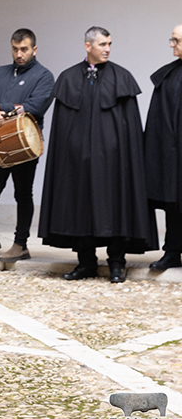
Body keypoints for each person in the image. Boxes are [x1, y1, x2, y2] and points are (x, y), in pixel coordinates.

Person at [38, 27, 156, 283]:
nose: (107, 49)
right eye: (102, 44)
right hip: (77, 163)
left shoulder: (121, 77)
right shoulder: (68, 79)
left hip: (115, 162)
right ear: (87, 46)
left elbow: (130, 129)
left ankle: (116, 263)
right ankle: (86, 263)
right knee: (79, 208)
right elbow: (62, 129)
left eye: (110, 44)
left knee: (116, 207)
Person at [0, 29, 54, 264]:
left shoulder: (44, 76)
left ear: (34, 49)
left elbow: (34, 106)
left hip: (25, 145)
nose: (19, 54)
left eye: (24, 49)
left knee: (23, 195)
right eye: (15, 49)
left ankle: (20, 244)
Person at [144, 24, 182, 271]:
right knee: (174, 201)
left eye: (176, 40)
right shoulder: (168, 77)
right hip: (173, 153)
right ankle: (172, 252)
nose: (171, 44)